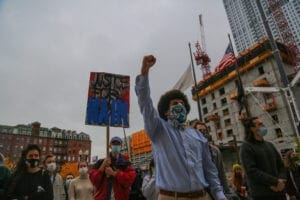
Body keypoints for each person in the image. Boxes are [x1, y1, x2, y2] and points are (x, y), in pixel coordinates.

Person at [135, 55, 226, 200]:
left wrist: (220, 195)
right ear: (166, 111)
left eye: (182, 103)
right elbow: (145, 104)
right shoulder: (158, 130)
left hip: (202, 196)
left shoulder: (198, 136)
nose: (180, 106)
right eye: (175, 103)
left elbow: (210, 170)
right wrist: (144, 72)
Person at [240, 117, 287, 200]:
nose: (263, 125)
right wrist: (275, 182)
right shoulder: (246, 147)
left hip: (279, 193)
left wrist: (281, 181)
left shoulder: (270, 145)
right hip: (262, 195)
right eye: (260, 124)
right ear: (252, 128)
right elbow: (252, 171)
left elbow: (281, 166)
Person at [193, 120, 239, 200]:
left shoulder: (215, 151)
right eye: (200, 131)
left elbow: (221, 174)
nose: (203, 133)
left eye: (205, 131)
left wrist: (227, 192)